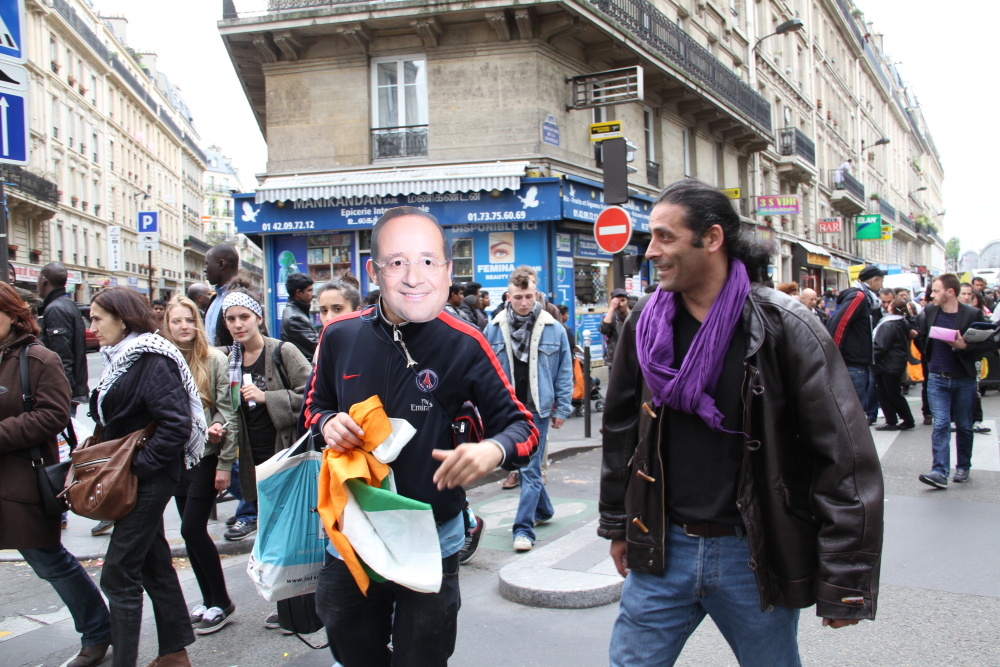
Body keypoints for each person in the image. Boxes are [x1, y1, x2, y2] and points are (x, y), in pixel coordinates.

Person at [600, 180, 883, 667]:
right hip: (663, 548)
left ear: (711, 239)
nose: (651, 251)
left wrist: (845, 579)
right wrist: (619, 524)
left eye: (665, 237)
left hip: (752, 554)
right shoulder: (643, 323)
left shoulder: (785, 325)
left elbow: (844, 457)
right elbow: (621, 430)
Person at [303, 206, 537, 667]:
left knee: (422, 658)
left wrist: (494, 449)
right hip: (352, 532)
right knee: (351, 649)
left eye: (428, 261)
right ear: (375, 271)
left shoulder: (465, 342)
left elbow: (523, 428)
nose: (413, 276)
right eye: (396, 262)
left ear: (448, 272)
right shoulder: (338, 335)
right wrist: (327, 423)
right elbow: (312, 410)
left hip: (432, 534)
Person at [88, 286, 208, 667]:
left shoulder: (151, 358)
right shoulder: (122, 357)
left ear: (122, 320)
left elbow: (176, 424)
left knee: (118, 573)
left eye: (96, 319)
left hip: (148, 477)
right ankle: (175, 654)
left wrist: (138, 468)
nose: (91, 328)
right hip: (136, 475)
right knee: (154, 564)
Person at [0, 282, 112, 667]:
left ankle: (97, 632)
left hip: (22, 484)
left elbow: (51, 415)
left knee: (48, 560)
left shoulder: (38, 358)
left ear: (13, 315)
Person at [221, 279, 311, 626]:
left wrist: (266, 397)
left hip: (284, 457)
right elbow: (228, 409)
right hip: (253, 462)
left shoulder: (281, 351)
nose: (238, 325)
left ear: (258, 318)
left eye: (244, 317)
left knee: (293, 533)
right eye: (231, 319)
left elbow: (311, 395)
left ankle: (300, 609)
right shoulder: (230, 359)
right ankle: (286, 604)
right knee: (271, 534)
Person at [161, 296, 238, 634]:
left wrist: (224, 462)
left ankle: (221, 600)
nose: (183, 327)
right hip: (176, 459)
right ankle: (208, 600)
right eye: (176, 321)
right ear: (167, 325)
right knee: (190, 533)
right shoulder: (162, 361)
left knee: (191, 529)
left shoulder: (215, 359)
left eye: (189, 320)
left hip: (206, 456)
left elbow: (228, 411)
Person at [485, 266, 573, 551]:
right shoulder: (494, 327)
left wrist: (562, 409)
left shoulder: (552, 327)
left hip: (539, 410)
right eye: (519, 297)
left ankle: (523, 530)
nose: (524, 303)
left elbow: (564, 371)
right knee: (522, 466)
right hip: (510, 411)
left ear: (537, 294)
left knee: (530, 468)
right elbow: (486, 372)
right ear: (509, 296)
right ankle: (544, 510)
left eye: (529, 296)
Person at [913, 274, 996, 488]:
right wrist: (927, 356)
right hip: (937, 378)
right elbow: (921, 335)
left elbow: (990, 343)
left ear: (950, 292)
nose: (932, 295)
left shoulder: (971, 313)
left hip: (963, 379)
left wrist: (965, 347)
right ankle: (939, 471)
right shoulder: (931, 311)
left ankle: (963, 466)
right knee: (940, 424)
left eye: (936, 291)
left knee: (964, 426)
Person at [827, 265, 886, 424]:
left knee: (855, 413)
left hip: (859, 363)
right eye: (881, 281)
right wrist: (834, 357)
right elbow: (840, 324)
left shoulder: (866, 298)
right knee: (853, 416)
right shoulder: (859, 297)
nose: (882, 285)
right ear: (874, 281)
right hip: (853, 364)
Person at [36, 262, 89, 414]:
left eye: (38, 278)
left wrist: (60, 393)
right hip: (67, 392)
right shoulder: (66, 304)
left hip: (61, 394)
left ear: (44, 280)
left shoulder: (56, 309)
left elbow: (62, 356)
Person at [873, 298, 916, 431]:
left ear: (891, 308)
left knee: (889, 394)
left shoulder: (888, 324)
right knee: (889, 393)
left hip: (887, 364)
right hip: (893, 363)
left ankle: (903, 420)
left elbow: (881, 346)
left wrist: (868, 355)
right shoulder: (902, 322)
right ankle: (894, 420)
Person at [204, 244, 241, 346]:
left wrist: (223, 351)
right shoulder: (215, 299)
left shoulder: (241, 298)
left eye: (207, 264)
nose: (205, 269)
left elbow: (254, 344)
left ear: (221, 264)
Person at [280, 272, 319, 359]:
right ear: (298, 293)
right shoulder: (294, 317)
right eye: (309, 290)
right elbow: (316, 345)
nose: (312, 294)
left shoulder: (296, 311)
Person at [600, 288, 630, 372]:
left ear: (627, 300)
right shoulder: (611, 317)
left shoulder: (633, 316)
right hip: (615, 362)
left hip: (631, 361)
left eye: (623, 300)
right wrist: (611, 308)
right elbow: (604, 330)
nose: (620, 304)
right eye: (617, 301)